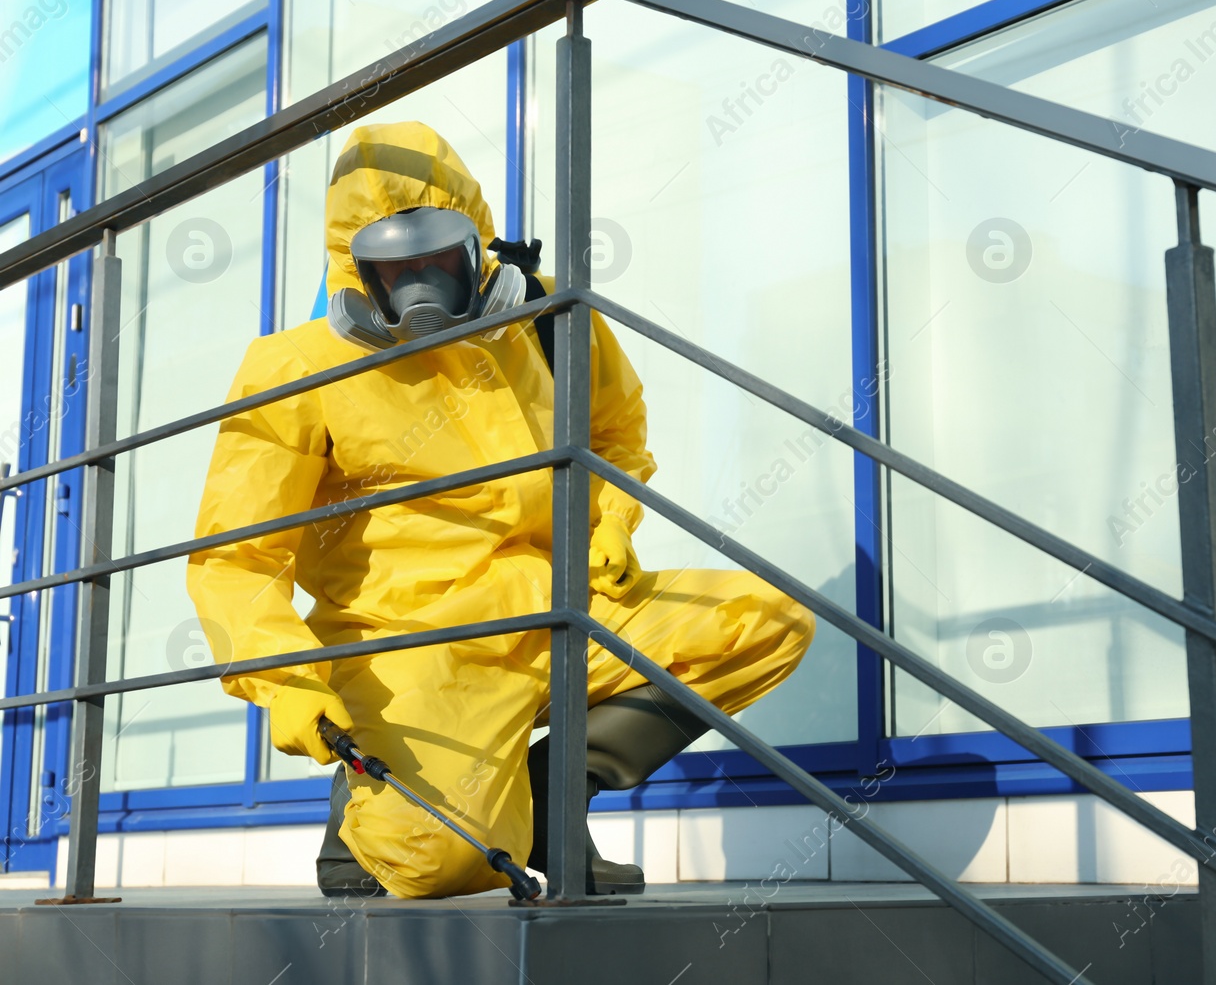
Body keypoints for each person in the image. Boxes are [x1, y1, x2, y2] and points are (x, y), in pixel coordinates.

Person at [186, 121, 814, 899]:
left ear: (476, 244)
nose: (422, 283)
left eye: (439, 258)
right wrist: (285, 681)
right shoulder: (295, 368)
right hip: (417, 643)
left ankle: (555, 799)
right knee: (438, 861)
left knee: (766, 623)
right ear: (357, 267)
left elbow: (616, 429)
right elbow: (235, 556)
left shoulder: (547, 321)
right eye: (396, 266)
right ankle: (373, 800)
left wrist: (613, 520)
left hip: (560, 611)